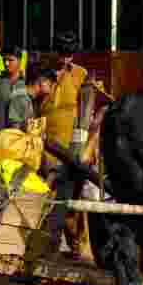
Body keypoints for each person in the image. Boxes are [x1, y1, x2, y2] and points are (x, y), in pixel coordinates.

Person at [40, 31, 91, 259]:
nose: (65, 59)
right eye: (62, 53)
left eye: (69, 54)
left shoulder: (81, 75)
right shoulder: (41, 72)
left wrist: (80, 148)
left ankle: (76, 245)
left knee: (71, 198)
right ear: (55, 52)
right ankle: (45, 245)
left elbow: (85, 112)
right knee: (42, 196)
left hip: (70, 147)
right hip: (43, 145)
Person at [0, 46, 26, 132]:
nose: (6, 63)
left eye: (10, 60)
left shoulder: (28, 82)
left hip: (22, 135)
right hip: (0, 134)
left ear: (19, 61)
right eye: (4, 60)